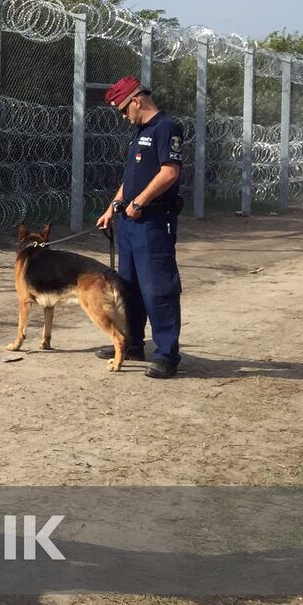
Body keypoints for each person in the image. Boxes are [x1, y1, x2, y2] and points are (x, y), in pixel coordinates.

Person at [96, 76, 183, 379]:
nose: (122, 117)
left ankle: (166, 354)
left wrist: (141, 202)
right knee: (128, 286)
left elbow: (170, 172)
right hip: (130, 223)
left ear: (136, 100)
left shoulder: (166, 128)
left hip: (153, 221)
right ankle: (131, 344)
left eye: (122, 110)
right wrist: (113, 207)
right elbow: (131, 178)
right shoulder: (138, 132)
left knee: (157, 288)